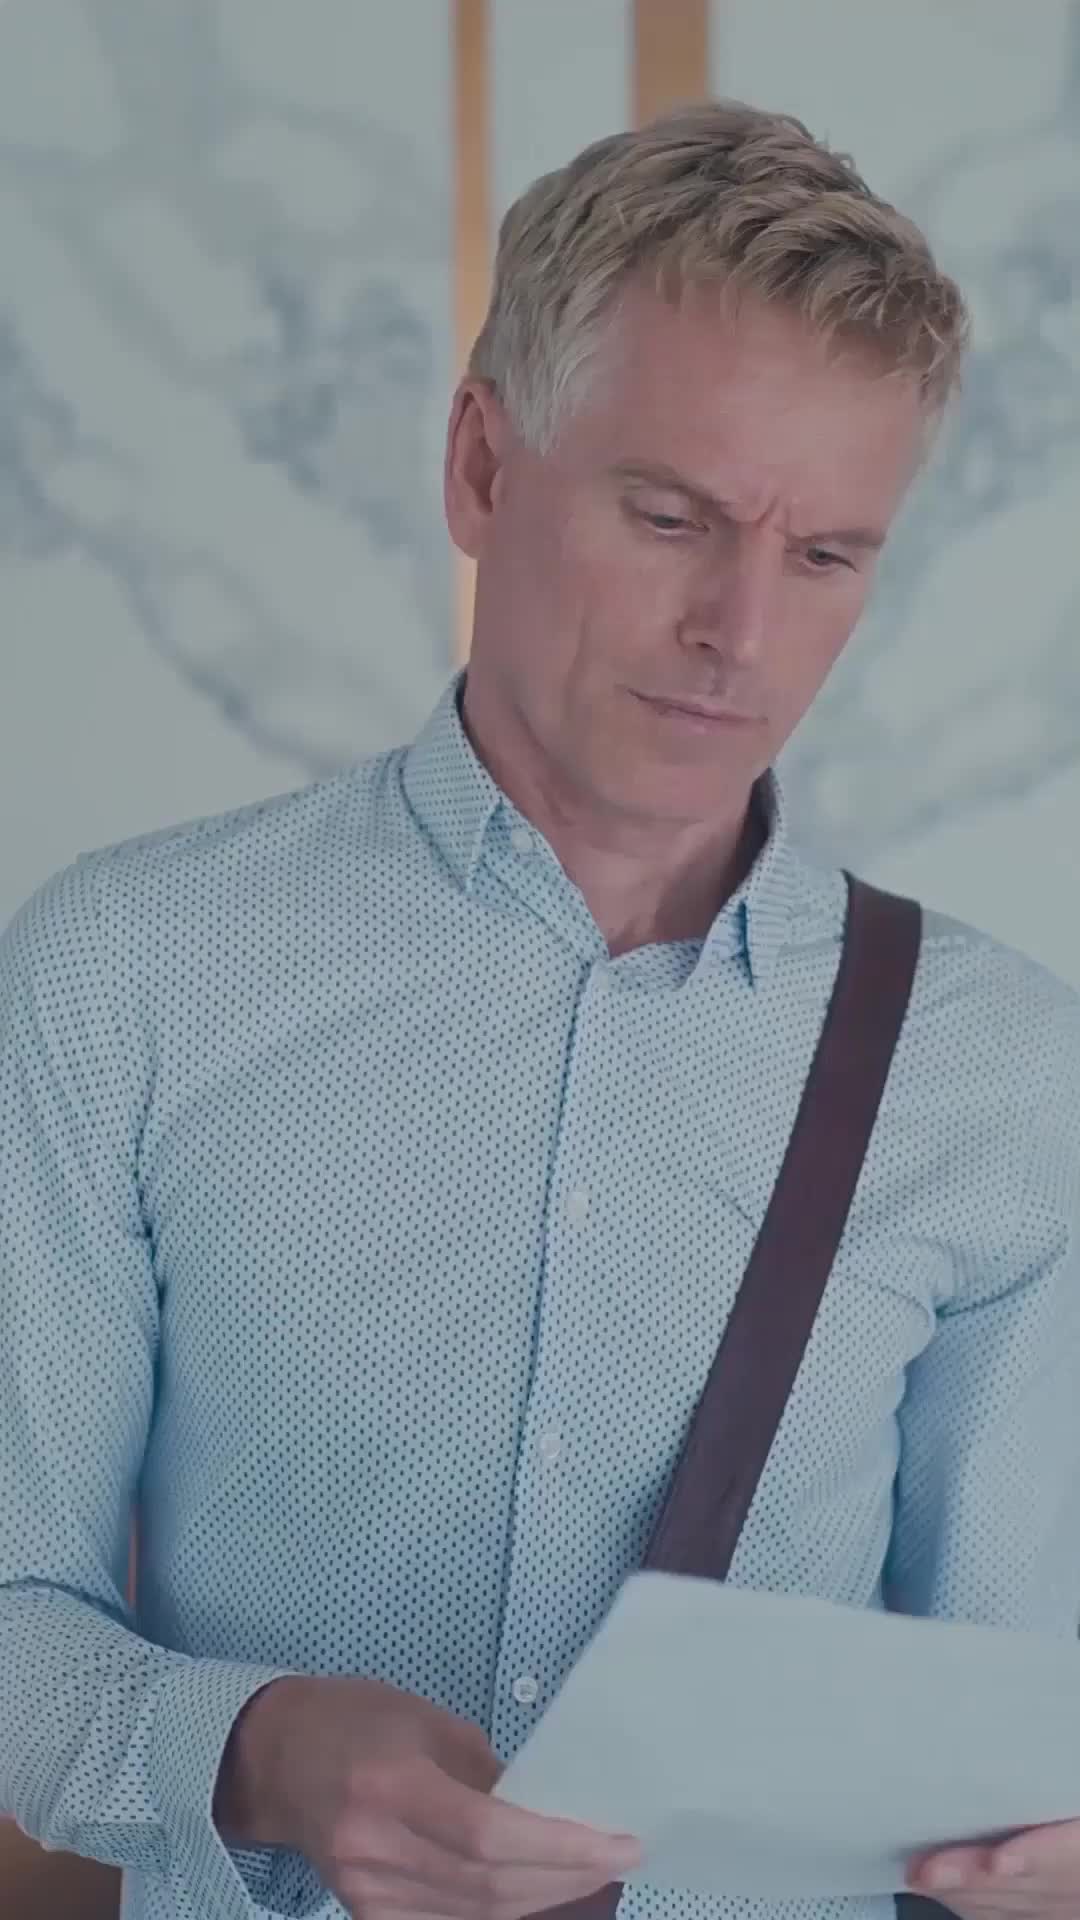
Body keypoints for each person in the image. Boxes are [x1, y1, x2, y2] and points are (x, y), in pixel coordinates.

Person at [1, 99, 1079, 1920]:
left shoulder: (1005, 1070)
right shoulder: (126, 971)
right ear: (482, 470)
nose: (742, 630)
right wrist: (255, 1746)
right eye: (670, 517)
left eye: (827, 556)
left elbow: (1016, 1706)